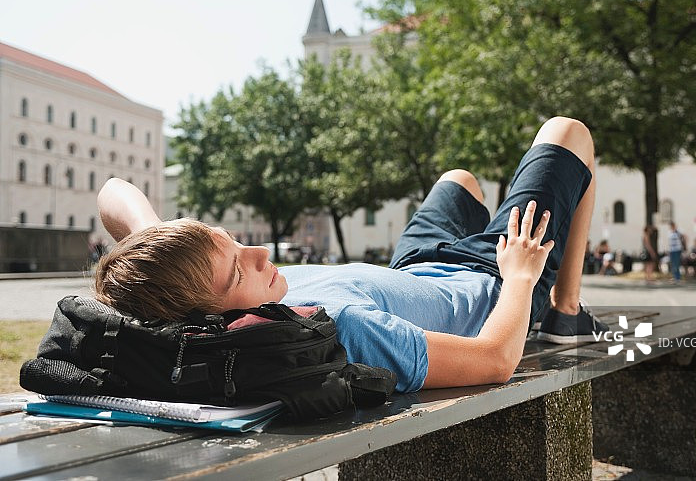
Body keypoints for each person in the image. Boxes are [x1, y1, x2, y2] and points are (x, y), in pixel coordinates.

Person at [94, 116, 609, 393]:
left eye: (231, 240)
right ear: (217, 316)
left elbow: (114, 191)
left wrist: (150, 236)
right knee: (569, 133)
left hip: (414, 266)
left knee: (460, 181)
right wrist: (521, 280)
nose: (258, 251)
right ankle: (564, 311)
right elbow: (495, 361)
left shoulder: (200, 282)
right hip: (492, 279)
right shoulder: (339, 327)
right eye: (237, 269)